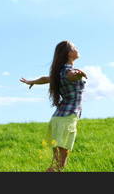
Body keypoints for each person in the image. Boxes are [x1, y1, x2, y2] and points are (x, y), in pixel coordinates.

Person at [20, 40, 87, 172]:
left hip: (58, 119)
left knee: (57, 164)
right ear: (68, 53)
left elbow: (45, 79)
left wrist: (32, 81)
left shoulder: (59, 72)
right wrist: (79, 74)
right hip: (66, 119)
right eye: (74, 47)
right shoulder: (68, 72)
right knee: (59, 165)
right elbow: (71, 76)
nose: (77, 49)